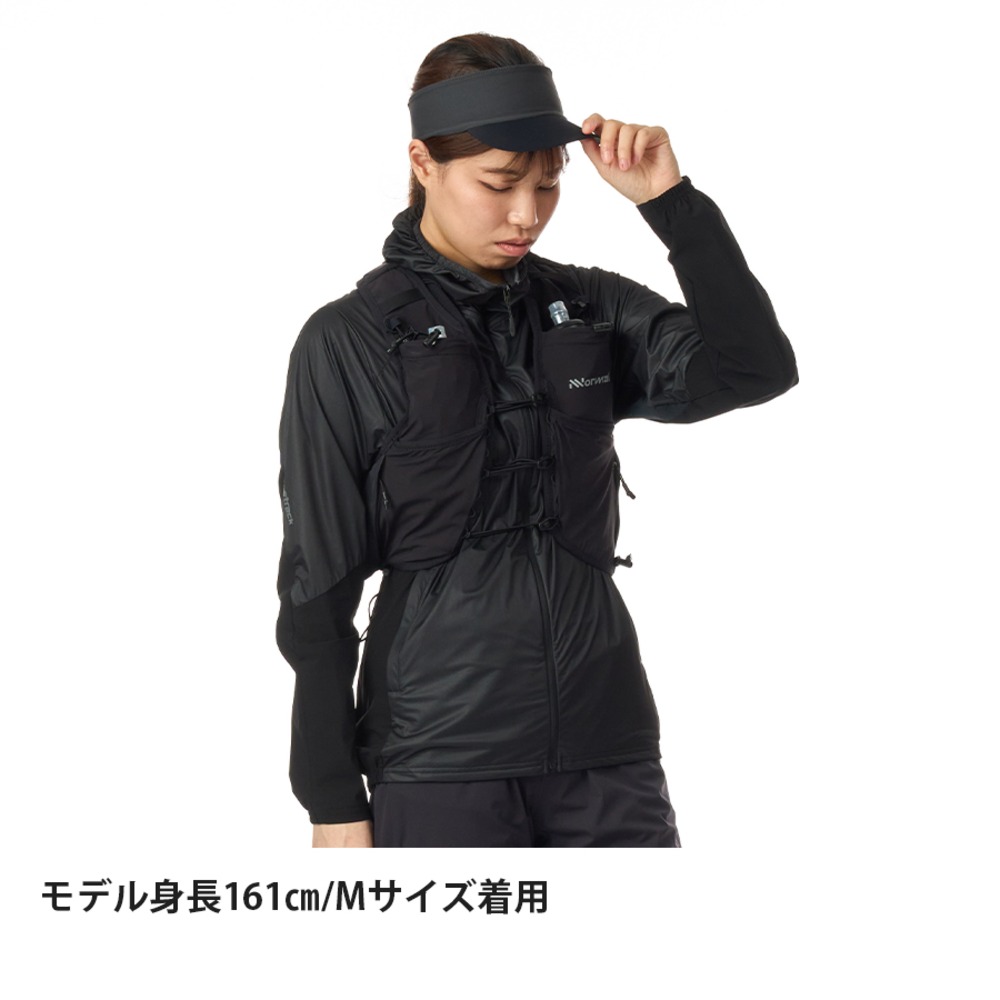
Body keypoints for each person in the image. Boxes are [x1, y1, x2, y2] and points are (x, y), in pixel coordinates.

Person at [276, 32, 798, 848]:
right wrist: (332, 798)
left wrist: (670, 204)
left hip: (608, 749)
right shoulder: (349, 340)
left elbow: (755, 369)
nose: (527, 214)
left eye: (549, 184)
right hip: (440, 760)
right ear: (423, 163)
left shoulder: (590, 309)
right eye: (499, 183)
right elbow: (317, 589)